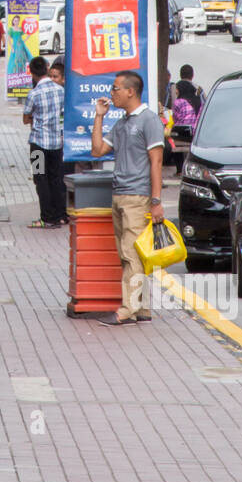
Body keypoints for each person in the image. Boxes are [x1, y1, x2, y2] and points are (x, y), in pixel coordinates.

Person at [91, 70, 165, 327]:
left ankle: (127, 309)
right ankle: (141, 307)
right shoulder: (121, 123)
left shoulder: (149, 120)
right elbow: (98, 149)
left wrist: (155, 201)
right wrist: (99, 118)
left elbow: (156, 162)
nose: (112, 93)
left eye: (116, 89)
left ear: (130, 91)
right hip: (119, 193)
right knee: (133, 254)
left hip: (137, 196)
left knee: (130, 253)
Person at [23, 56, 66, 229]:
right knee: (56, 178)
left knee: (40, 179)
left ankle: (47, 217)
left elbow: (26, 119)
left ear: (32, 74)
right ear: (47, 69)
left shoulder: (33, 94)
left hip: (38, 145)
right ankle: (59, 214)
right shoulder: (61, 90)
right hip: (57, 143)